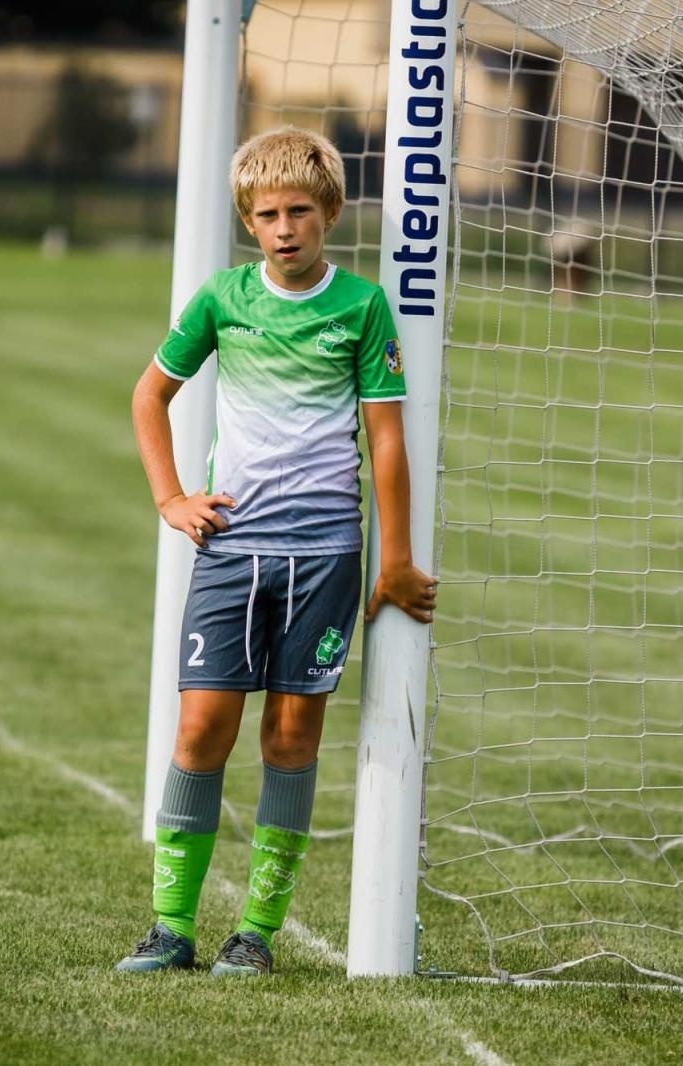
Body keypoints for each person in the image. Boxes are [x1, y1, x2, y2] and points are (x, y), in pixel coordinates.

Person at [118, 127, 436, 977]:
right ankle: (170, 929)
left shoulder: (361, 307)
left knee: (291, 739)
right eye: (267, 214)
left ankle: (253, 935)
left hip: (325, 553)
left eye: (300, 210)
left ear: (330, 212)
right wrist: (171, 498)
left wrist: (393, 561)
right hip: (231, 545)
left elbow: (388, 443)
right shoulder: (223, 299)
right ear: (248, 223)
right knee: (202, 725)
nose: (285, 227)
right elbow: (150, 395)